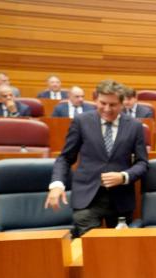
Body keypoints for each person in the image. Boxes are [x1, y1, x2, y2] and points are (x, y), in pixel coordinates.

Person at [44, 80, 148, 238]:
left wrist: (124, 176)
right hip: (87, 196)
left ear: (122, 104)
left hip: (120, 199)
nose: (107, 109)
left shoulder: (135, 126)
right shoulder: (81, 121)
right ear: (95, 100)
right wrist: (57, 184)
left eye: (112, 105)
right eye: (102, 103)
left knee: (120, 249)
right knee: (89, 248)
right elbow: (65, 158)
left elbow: (142, 163)